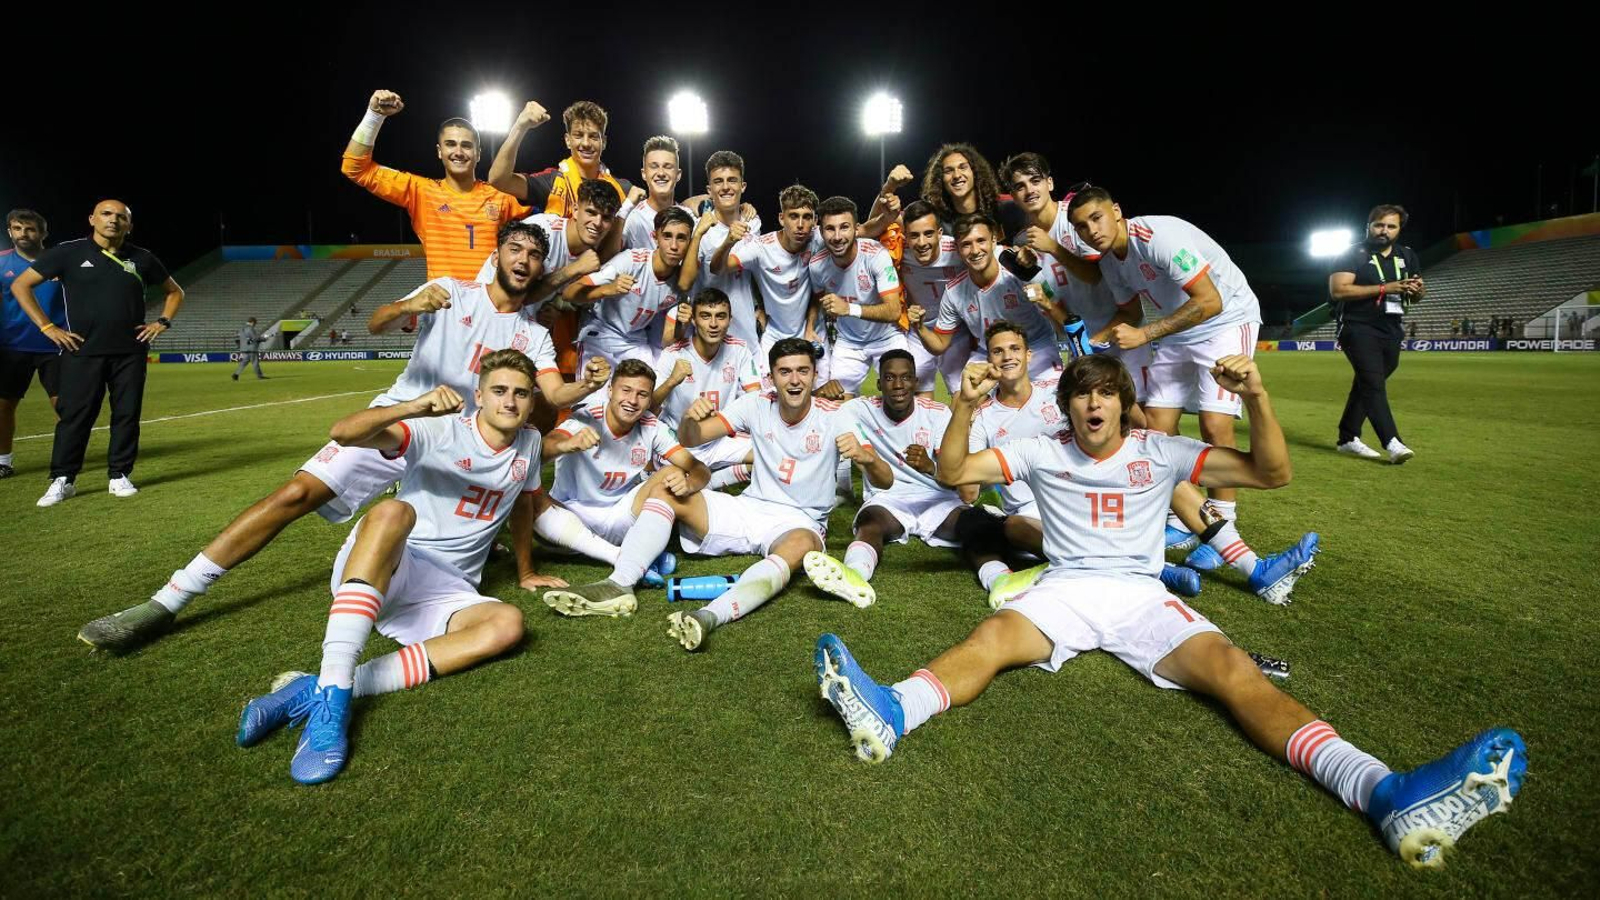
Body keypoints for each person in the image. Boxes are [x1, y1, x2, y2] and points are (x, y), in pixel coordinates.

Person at [812, 354, 1526, 870]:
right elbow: (952, 472)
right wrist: (965, 405)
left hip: (1143, 594)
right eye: (1081, 395)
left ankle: (1382, 790)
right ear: (1067, 407)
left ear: (1122, 403)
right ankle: (893, 711)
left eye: (1104, 394)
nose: (1092, 405)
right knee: (993, 637)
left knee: (1235, 673)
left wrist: (1258, 398)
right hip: (1064, 587)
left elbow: (1271, 472)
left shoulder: (1160, 451)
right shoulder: (1039, 449)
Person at [77, 223, 611, 652]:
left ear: (542, 267)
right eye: (513, 248)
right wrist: (406, 307)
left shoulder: (534, 334)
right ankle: (168, 599)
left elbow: (554, 396)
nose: (523, 259)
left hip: (463, 444)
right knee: (295, 494)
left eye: (533, 255)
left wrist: (584, 384)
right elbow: (377, 323)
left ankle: (415, 601)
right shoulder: (450, 291)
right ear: (496, 254)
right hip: (397, 421)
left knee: (441, 533)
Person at [234, 350, 594, 784]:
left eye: (521, 393)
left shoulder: (531, 442)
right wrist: (412, 406)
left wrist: (525, 571)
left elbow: (522, 502)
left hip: (447, 589)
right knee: (393, 512)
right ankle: (331, 710)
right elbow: (343, 433)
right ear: (479, 395)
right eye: (499, 391)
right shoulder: (439, 430)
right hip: (386, 564)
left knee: (507, 624)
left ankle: (318, 688)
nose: (511, 402)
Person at [542, 338, 892, 649]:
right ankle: (619, 584)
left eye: (803, 371)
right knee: (666, 486)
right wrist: (690, 421)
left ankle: (709, 616)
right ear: (772, 377)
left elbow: (885, 479)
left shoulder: (838, 414)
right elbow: (693, 439)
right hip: (749, 507)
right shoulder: (756, 403)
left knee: (800, 546)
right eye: (785, 372)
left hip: (801, 521)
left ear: (815, 375)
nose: (795, 380)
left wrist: (869, 459)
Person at [1067, 187, 1263, 526]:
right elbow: (1129, 311)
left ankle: (1224, 523)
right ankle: (1185, 515)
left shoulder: (1158, 236)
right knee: (1156, 427)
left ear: (1116, 210)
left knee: (1214, 424)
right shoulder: (1111, 262)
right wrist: (1093, 340)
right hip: (1176, 330)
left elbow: (1209, 301)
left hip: (1226, 320)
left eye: (1096, 218)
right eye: (1081, 227)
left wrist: (1144, 334)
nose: (1091, 231)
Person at [11, 200, 184, 506]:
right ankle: (63, 479)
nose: (113, 220)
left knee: (127, 415)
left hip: (130, 352)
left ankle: (119, 475)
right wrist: (47, 327)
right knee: (75, 417)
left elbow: (175, 291)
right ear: (92, 218)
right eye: (106, 214)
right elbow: (21, 286)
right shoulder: (68, 252)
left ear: (129, 225)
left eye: (121, 217)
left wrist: (162, 321)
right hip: (82, 349)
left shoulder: (142, 258)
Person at [535, 359, 709, 618]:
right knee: (525, 494)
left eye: (642, 394)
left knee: (671, 473)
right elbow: (541, 450)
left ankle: (628, 555)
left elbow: (698, 468)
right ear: (610, 391)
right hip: (570, 522)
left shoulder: (652, 427)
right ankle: (622, 557)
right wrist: (565, 445)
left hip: (621, 519)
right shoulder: (586, 417)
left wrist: (689, 482)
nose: (633, 400)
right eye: (625, 390)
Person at [801, 350, 976, 607]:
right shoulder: (859, 409)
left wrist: (930, 467)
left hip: (938, 497)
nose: (898, 386)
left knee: (975, 526)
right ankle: (854, 576)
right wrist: (818, 393)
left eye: (906, 378)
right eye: (890, 378)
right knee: (870, 524)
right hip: (888, 499)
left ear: (916, 382)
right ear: (879, 383)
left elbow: (960, 482)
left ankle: (999, 578)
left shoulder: (938, 414)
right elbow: (809, 410)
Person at [341, 89, 530, 282]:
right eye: (450, 144)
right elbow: (354, 167)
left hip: (489, 306)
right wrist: (374, 116)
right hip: (444, 307)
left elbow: (552, 200)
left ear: (478, 153)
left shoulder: (501, 195)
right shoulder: (421, 192)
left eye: (466, 145)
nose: (458, 151)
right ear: (439, 151)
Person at [908, 214, 1063, 380]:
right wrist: (920, 327)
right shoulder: (954, 291)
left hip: (1036, 347)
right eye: (966, 244)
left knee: (1052, 399)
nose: (975, 251)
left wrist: (1045, 300)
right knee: (965, 398)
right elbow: (939, 344)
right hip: (989, 354)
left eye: (981, 241)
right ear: (958, 250)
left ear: (994, 240)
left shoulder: (1019, 266)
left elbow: (1058, 314)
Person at [1328, 204, 1424, 464]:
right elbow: (1338, 291)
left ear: (1399, 229)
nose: (1384, 231)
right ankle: (1393, 442)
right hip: (1357, 326)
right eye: (1379, 225)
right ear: (1368, 226)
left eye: (1391, 226)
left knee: (1367, 383)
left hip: (1391, 327)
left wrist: (1416, 292)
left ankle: (1348, 438)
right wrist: (1386, 287)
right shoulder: (1352, 254)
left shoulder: (1407, 255)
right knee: (1372, 383)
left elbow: (1415, 296)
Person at [649, 288, 762, 486]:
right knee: (673, 481)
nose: (713, 324)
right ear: (693, 320)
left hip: (718, 440)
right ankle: (716, 478)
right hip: (679, 442)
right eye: (705, 316)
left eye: (720, 317)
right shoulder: (673, 354)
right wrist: (672, 381)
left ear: (730, 319)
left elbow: (756, 398)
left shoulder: (739, 350)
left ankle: (713, 480)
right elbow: (648, 408)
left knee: (774, 455)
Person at [563, 207, 695, 370]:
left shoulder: (681, 282)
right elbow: (569, 292)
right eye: (667, 236)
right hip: (601, 335)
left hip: (635, 341)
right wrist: (608, 289)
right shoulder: (631, 261)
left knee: (652, 387)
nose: (674, 246)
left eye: (681, 238)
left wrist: (682, 325)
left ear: (690, 243)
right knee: (597, 393)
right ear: (655, 238)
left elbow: (667, 340)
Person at [808, 197, 905, 396]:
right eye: (829, 229)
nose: (837, 236)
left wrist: (848, 308)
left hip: (887, 337)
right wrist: (809, 327)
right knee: (835, 401)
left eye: (844, 227)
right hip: (849, 343)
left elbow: (894, 311)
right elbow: (815, 300)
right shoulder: (817, 265)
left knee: (900, 394)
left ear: (856, 229)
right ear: (820, 231)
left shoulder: (875, 254)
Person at [0, 209, 65, 479]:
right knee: (3, 406)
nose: (23, 234)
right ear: (9, 232)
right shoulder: (1, 262)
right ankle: (3, 461)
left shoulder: (61, 261)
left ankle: (66, 460)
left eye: (30, 229)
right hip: (11, 346)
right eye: (17, 229)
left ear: (43, 233)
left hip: (57, 346)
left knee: (65, 407)